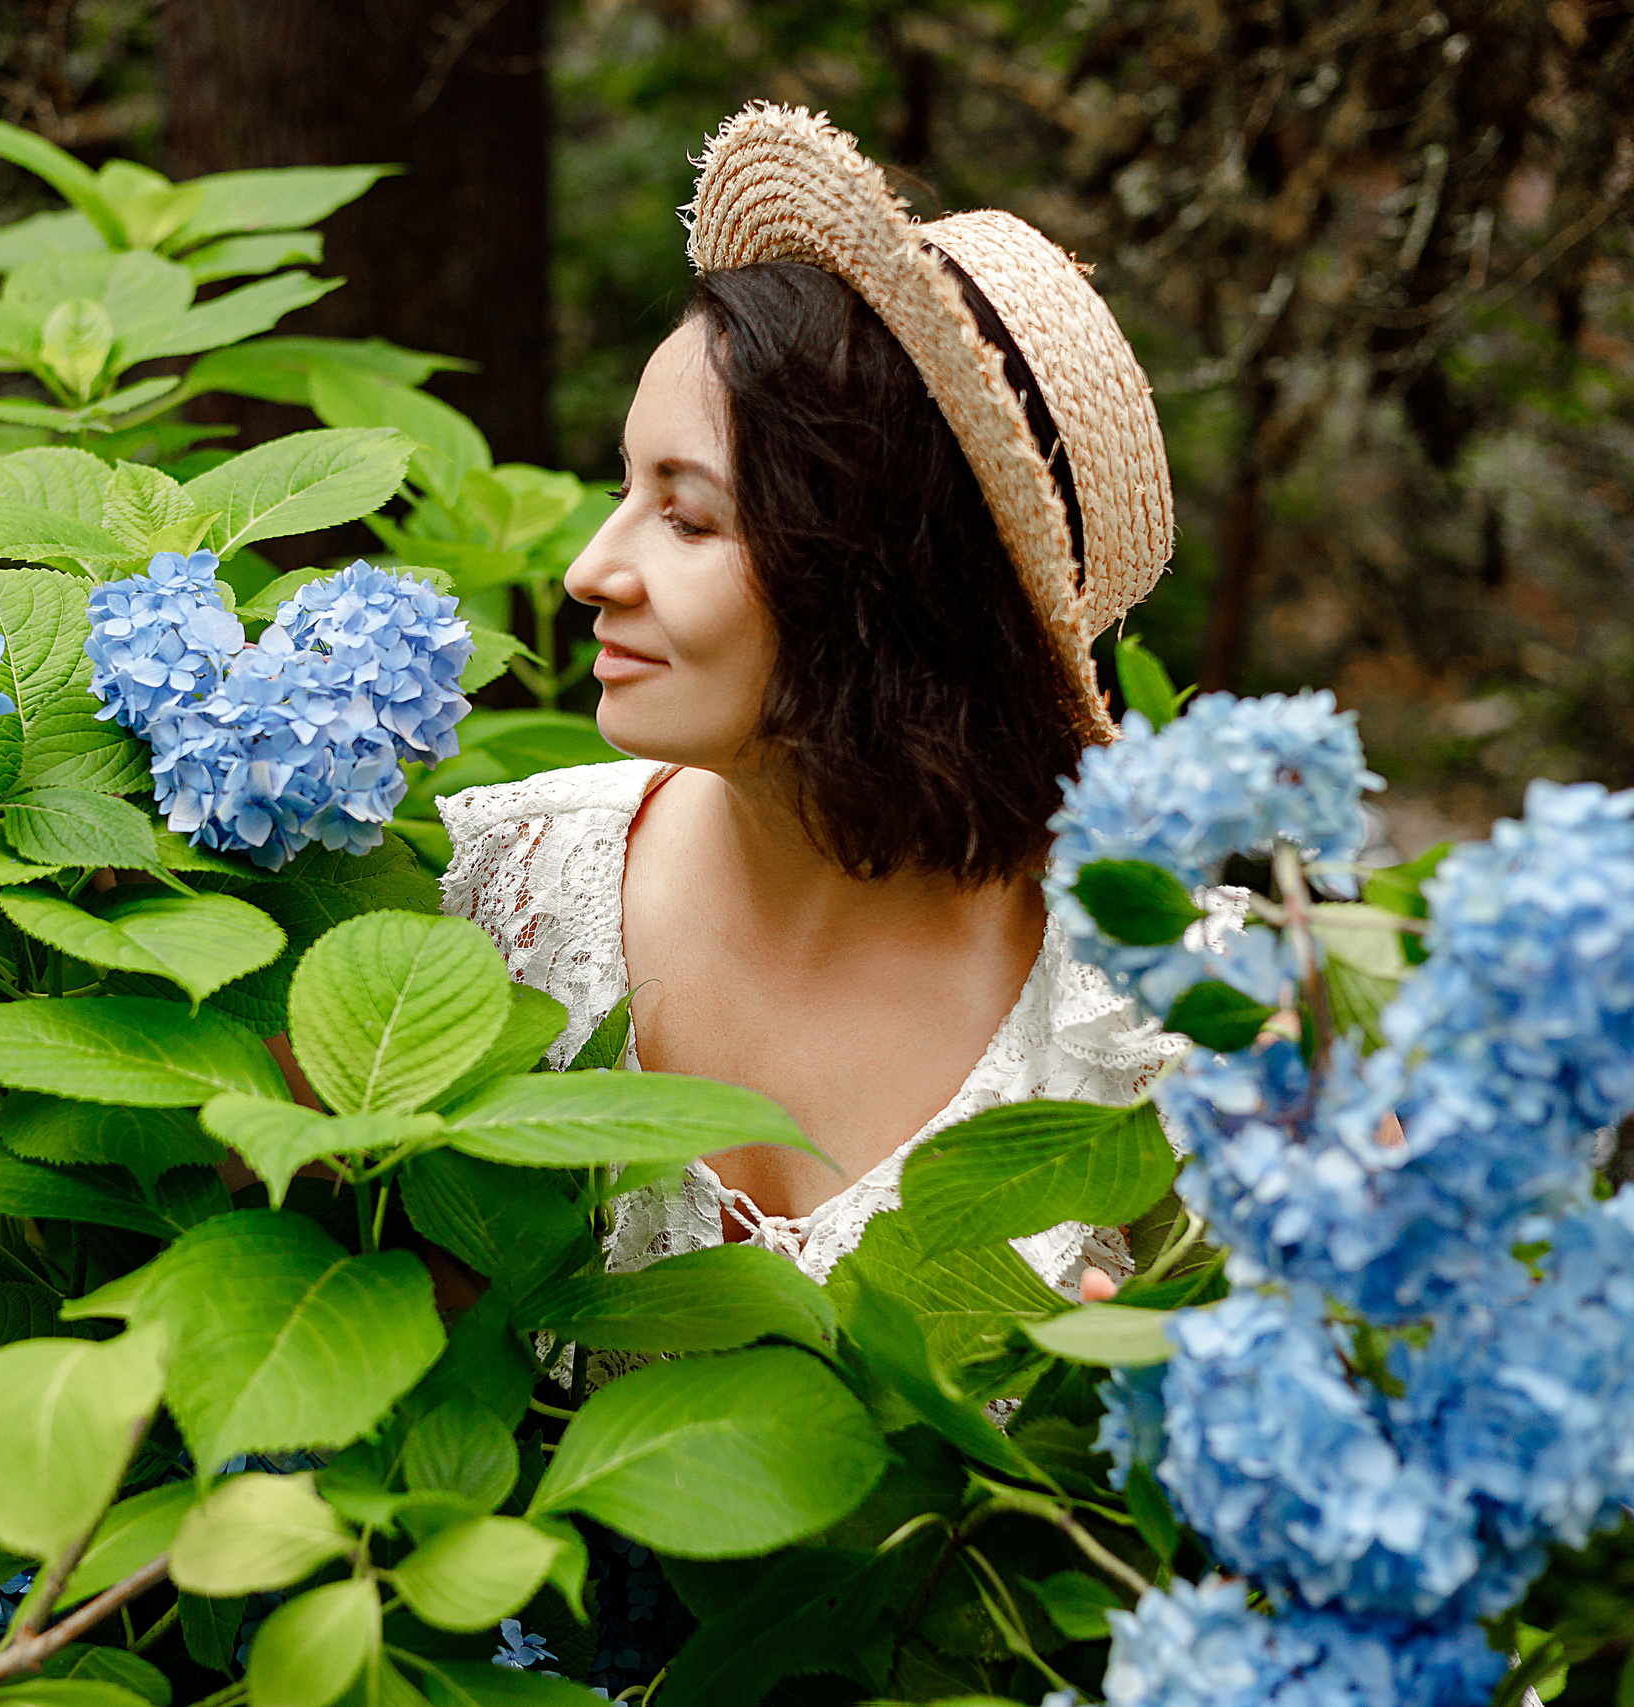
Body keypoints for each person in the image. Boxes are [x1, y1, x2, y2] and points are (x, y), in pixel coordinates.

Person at [439, 102, 1182, 1306]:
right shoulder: (502, 893)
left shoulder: (1171, 1022)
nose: (587, 571)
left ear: (878, 574)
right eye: (627, 487)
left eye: (687, 517)